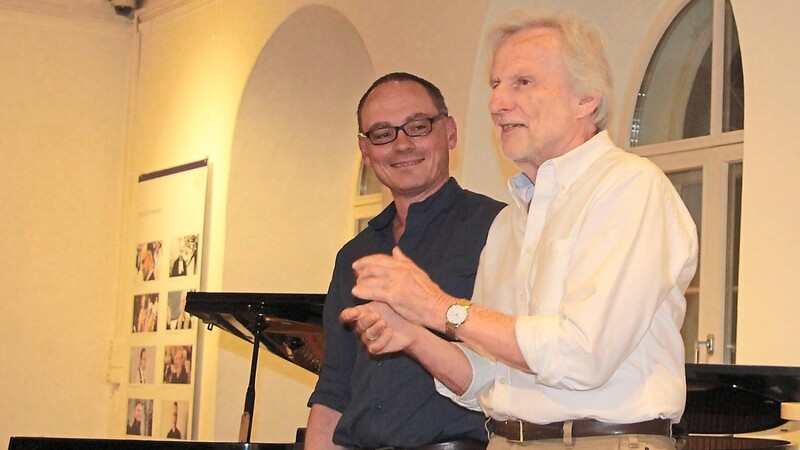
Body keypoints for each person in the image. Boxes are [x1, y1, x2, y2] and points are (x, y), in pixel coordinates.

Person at [343, 14, 698, 450]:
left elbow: (583, 356)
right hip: (506, 440)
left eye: (523, 82)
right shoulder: (509, 224)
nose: (497, 104)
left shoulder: (629, 187)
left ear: (586, 99)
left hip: (600, 440)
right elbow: (488, 380)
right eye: (495, 85)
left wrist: (439, 306)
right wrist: (413, 335)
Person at [305, 72, 505, 450]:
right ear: (365, 152)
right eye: (382, 134)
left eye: (417, 126)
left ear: (449, 133)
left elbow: (517, 369)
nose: (401, 145)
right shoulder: (353, 254)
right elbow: (333, 388)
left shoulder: (497, 229)